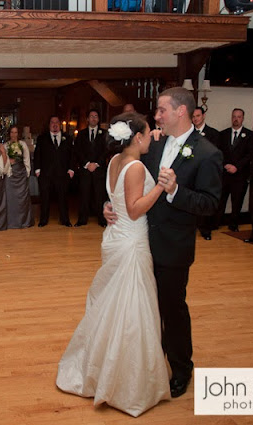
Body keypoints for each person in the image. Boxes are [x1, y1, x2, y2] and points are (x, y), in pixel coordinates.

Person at [104, 87, 223, 398]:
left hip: (173, 246)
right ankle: (150, 363)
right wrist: (111, 206)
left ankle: (182, 368)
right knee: (145, 309)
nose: (156, 116)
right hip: (141, 241)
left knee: (172, 309)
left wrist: (175, 191)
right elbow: (131, 186)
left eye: (161, 110)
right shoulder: (153, 145)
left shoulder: (208, 153)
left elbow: (210, 204)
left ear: (180, 111)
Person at [57, 112, 169, 417]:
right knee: (130, 306)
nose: (151, 137)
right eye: (148, 133)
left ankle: (102, 363)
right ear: (137, 137)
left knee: (114, 302)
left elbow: (114, 200)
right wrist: (160, 187)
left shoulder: (114, 161)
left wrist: (108, 207)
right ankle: (127, 380)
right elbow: (133, 210)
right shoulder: (134, 167)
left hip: (115, 236)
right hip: (130, 239)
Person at [216, 108, 253, 232]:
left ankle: (234, 224)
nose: (236, 119)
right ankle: (217, 222)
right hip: (225, 173)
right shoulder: (223, 134)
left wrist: (237, 166)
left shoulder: (250, 135)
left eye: (238, 116)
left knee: (237, 200)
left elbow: (250, 155)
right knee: (221, 200)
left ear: (243, 118)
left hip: (240, 175)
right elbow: (218, 152)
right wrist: (225, 165)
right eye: (234, 116)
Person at [33, 116, 74, 227]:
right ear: (49, 125)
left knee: (63, 198)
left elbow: (72, 155)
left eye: (57, 122)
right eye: (52, 122)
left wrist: (71, 169)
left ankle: (65, 220)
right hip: (46, 174)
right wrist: (37, 170)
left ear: (60, 124)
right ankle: (43, 220)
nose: (54, 124)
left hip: (62, 173)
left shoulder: (68, 138)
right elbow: (37, 155)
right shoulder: (42, 138)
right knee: (45, 198)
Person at [73, 109, 108, 227]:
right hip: (85, 169)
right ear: (87, 119)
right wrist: (87, 164)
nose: (93, 118)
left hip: (99, 169)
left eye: (96, 116)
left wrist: (97, 164)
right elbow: (78, 151)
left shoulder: (104, 134)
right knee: (84, 195)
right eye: (91, 116)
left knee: (100, 196)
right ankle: (82, 220)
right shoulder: (81, 134)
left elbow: (106, 151)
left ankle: (102, 220)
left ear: (98, 119)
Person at [192, 106, 220, 240]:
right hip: (192, 172)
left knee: (204, 200)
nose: (195, 119)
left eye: (198, 116)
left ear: (203, 116)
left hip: (205, 172)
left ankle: (206, 229)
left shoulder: (214, 134)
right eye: (193, 116)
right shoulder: (189, 133)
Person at [4, 125, 34, 229]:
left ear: (18, 134)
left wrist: (27, 173)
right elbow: (2, 161)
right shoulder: (5, 146)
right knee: (11, 199)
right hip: (10, 175)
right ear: (9, 134)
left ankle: (24, 221)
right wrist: (9, 162)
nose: (13, 135)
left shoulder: (23, 145)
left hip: (21, 175)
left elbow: (27, 159)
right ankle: (12, 222)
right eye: (12, 132)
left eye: (15, 132)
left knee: (22, 199)